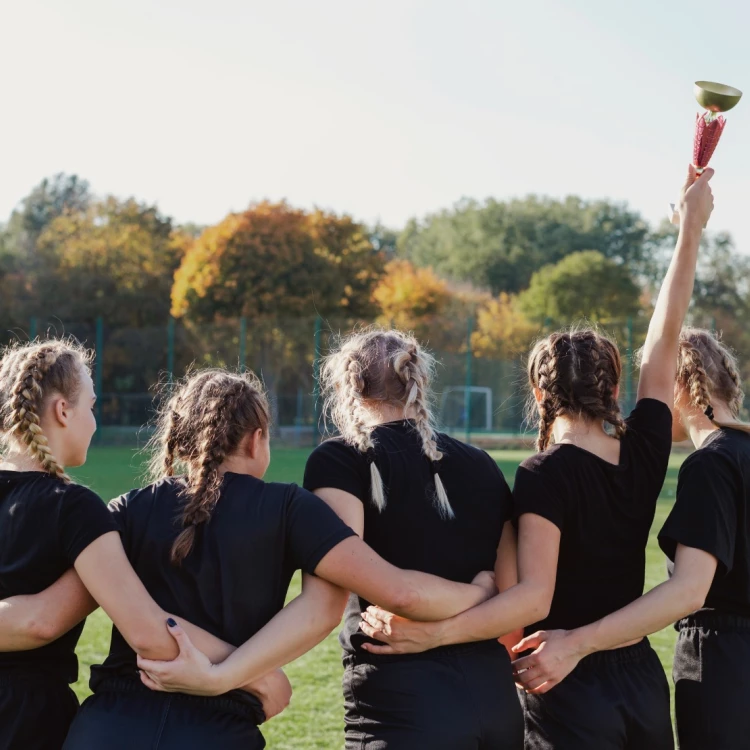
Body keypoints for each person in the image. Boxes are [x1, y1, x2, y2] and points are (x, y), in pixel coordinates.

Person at [46, 368, 496, 749]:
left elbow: (53, 612)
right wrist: (479, 592)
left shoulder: (125, 508)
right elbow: (398, 593)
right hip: (218, 729)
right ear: (257, 439)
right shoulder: (289, 507)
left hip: (107, 725)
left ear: (179, 437)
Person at [496, 165, 714, 750]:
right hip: (640, 678)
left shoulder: (541, 475)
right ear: (613, 389)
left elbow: (531, 599)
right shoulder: (645, 445)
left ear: (540, 394)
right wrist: (689, 230)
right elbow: (665, 338)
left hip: (561, 677)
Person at [0, 340, 269, 750]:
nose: (93, 421)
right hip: (24, 717)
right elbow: (137, 628)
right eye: (91, 406)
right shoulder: (74, 508)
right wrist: (259, 677)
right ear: (62, 411)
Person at [301, 328, 554, 749]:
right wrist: (479, 593)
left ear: (351, 386)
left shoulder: (338, 460)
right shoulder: (482, 465)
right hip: (494, 703)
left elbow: (373, 584)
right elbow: (510, 598)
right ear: (419, 380)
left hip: (401, 704)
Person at [513, 328, 750, 750]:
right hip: (642, 681)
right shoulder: (674, 455)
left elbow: (689, 592)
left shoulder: (711, 464)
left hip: (721, 666)